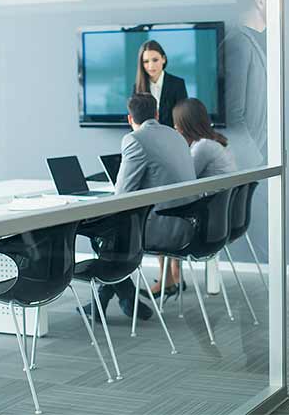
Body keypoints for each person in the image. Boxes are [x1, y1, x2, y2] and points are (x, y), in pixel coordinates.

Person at [86, 93, 196, 320]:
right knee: (113, 236)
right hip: (187, 222)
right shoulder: (176, 136)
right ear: (156, 114)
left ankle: (119, 296)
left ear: (129, 119)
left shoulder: (134, 140)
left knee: (103, 234)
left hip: (163, 228)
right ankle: (123, 297)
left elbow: (122, 195)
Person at [145, 98, 237, 297]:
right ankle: (172, 277)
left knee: (156, 216)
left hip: (206, 227)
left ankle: (169, 279)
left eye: (177, 123)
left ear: (187, 124)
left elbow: (181, 177)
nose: (175, 128)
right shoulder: (216, 142)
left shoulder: (203, 147)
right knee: (169, 211)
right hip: (221, 221)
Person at [220, 0, 267, 170]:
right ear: (260, 1)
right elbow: (232, 113)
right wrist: (255, 159)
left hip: (259, 157)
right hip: (248, 162)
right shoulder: (237, 43)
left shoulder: (255, 40)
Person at [134, 40, 188, 128]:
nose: (151, 66)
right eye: (146, 61)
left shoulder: (177, 84)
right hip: (146, 138)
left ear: (163, 59)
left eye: (155, 60)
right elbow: (136, 121)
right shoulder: (137, 87)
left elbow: (183, 119)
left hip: (171, 136)